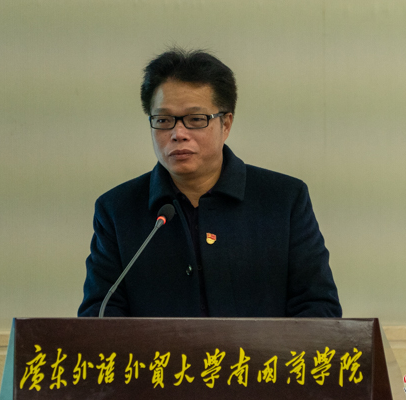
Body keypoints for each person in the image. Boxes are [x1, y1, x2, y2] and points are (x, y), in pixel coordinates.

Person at [78, 48, 342, 318]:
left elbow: (318, 308)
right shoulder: (117, 210)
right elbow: (99, 314)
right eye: (163, 120)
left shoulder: (283, 200)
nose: (178, 134)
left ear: (225, 124)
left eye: (195, 119)